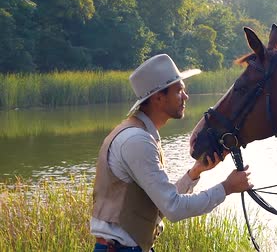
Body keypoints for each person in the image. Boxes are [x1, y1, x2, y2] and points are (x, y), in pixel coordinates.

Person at [90, 54, 253, 252]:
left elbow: (160, 204)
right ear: (159, 97)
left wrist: (195, 173)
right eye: (179, 91)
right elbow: (173, 208)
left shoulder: (139, 134)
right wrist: (226, 187)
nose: (186, 96)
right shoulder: (137, 141)